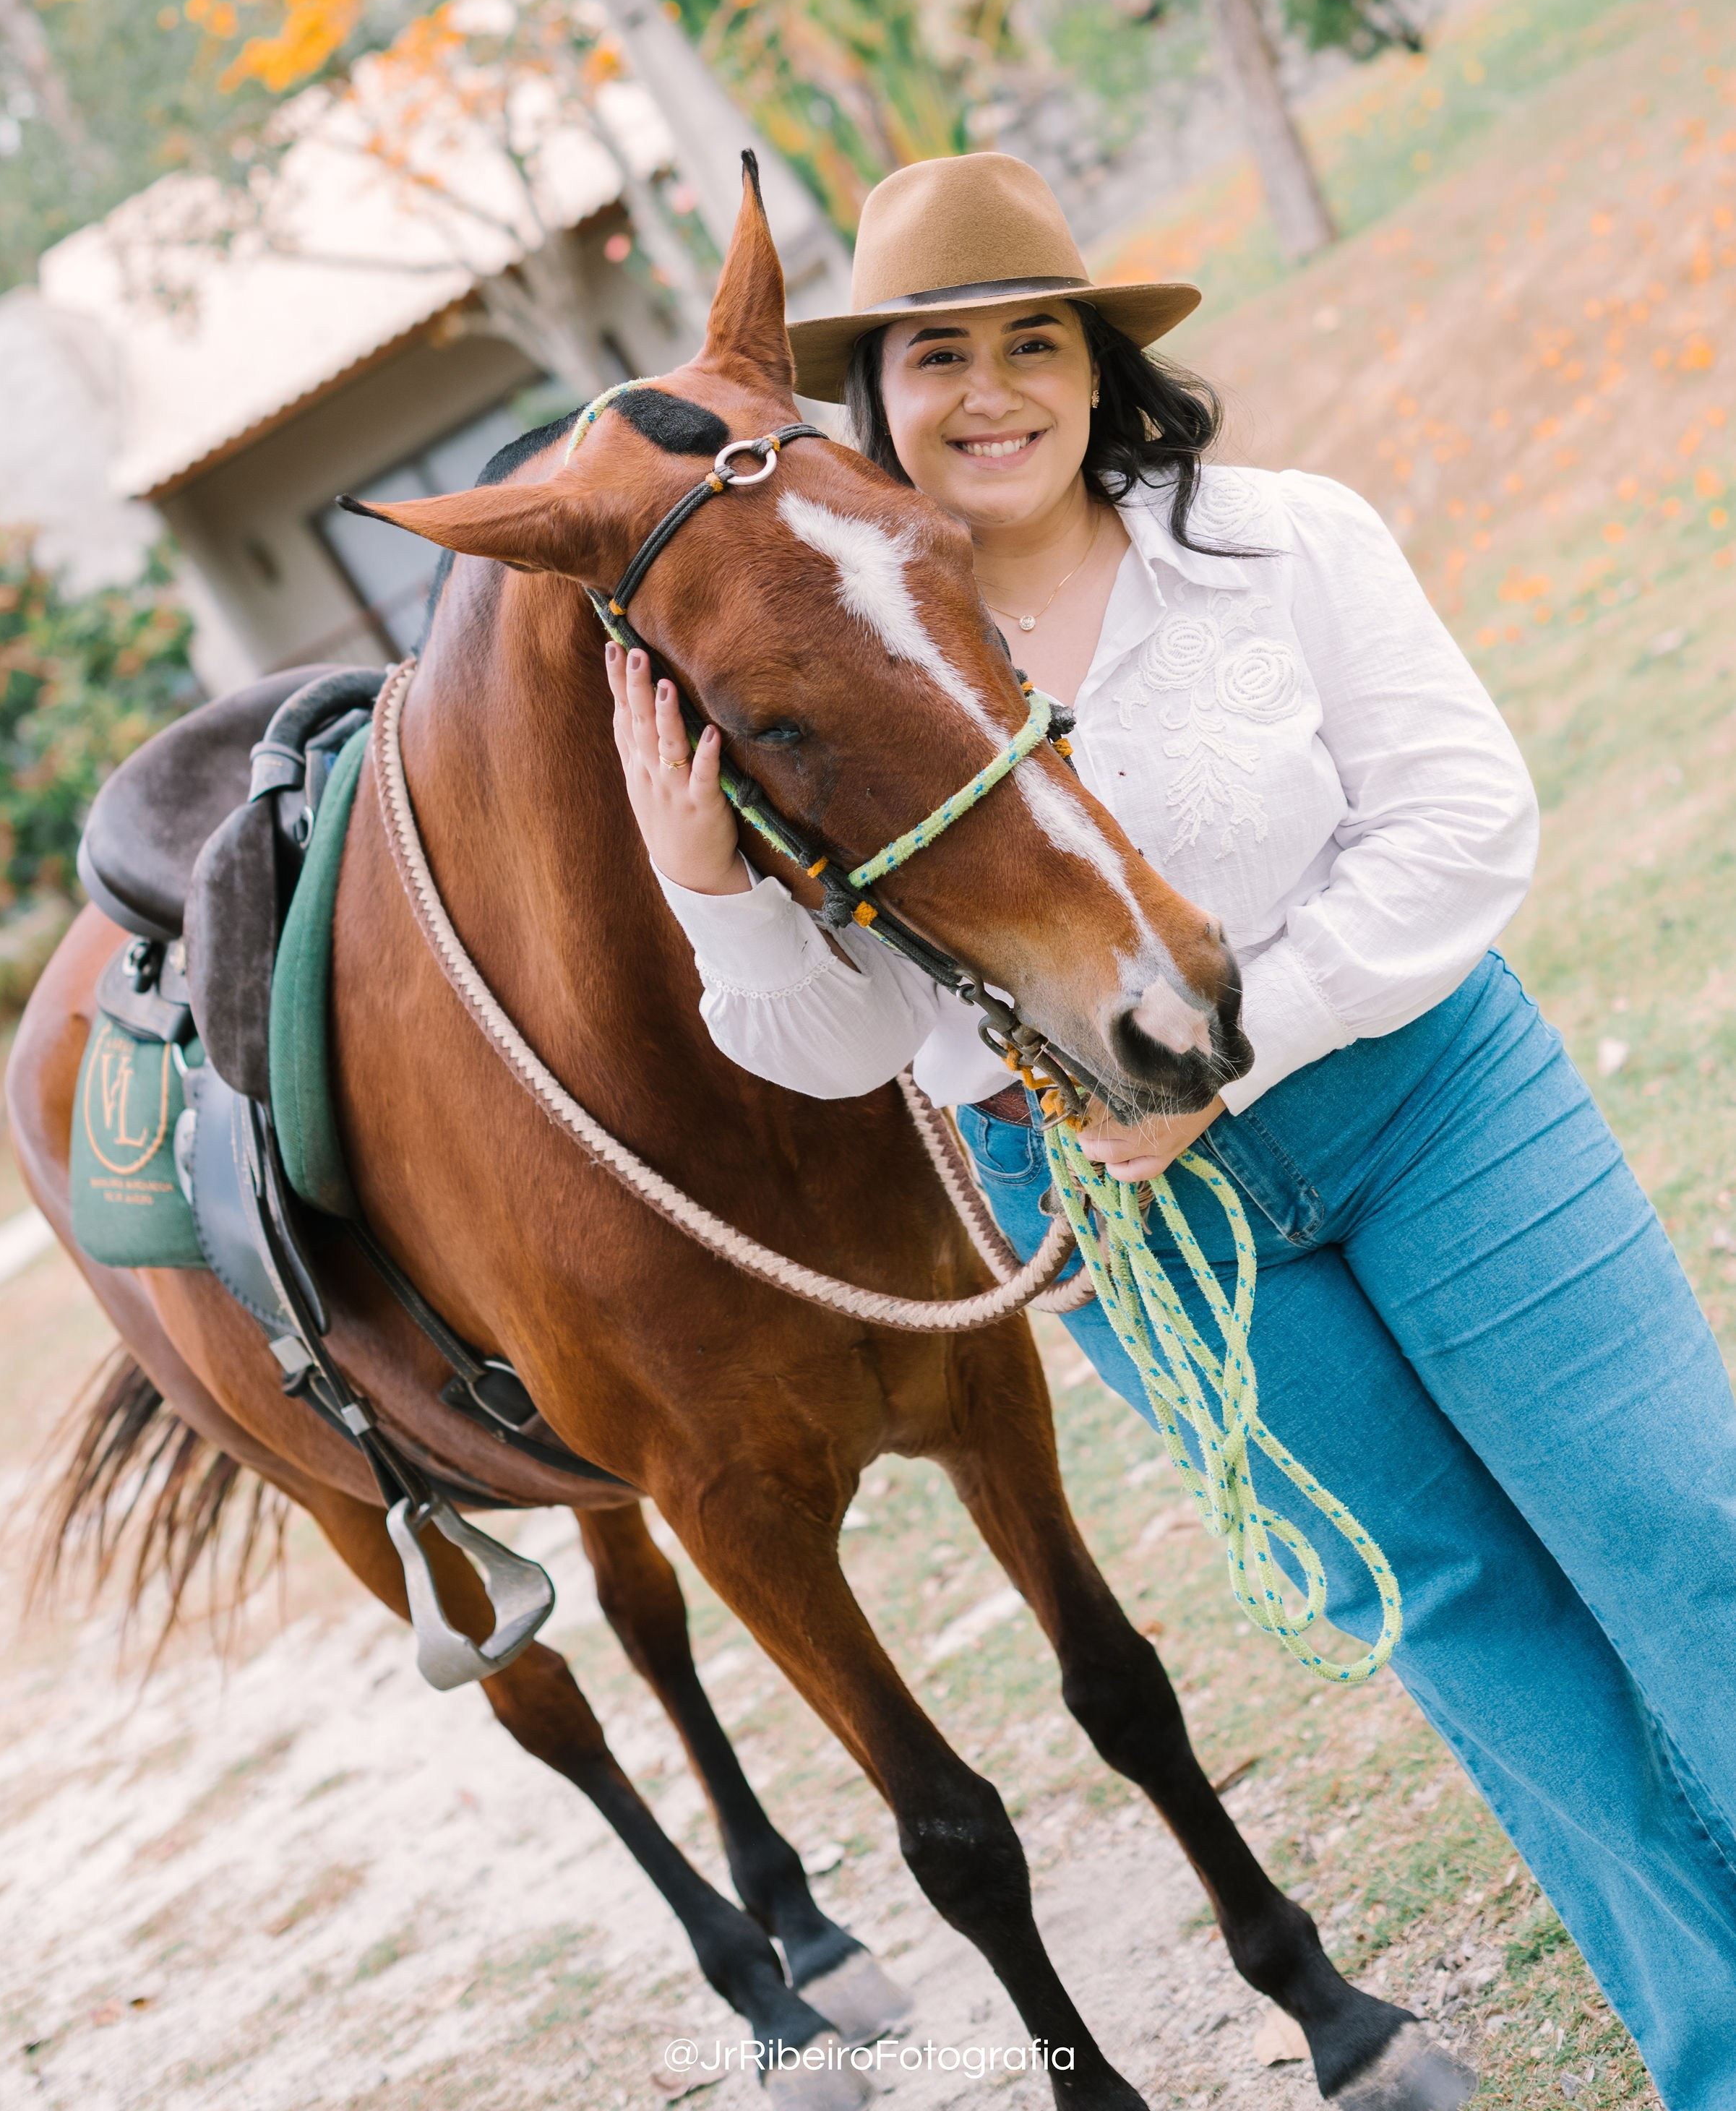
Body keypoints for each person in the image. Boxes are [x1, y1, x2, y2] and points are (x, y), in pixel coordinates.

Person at [606, 150, 1736, 2109]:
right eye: (932, 354)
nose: (987, 393)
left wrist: (1230, 1057)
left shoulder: (1272, 541)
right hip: (1145, 1232)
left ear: (1096, 366)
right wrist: (707, 883)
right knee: (1460, 1616)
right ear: (864, 395)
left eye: (1032, 342)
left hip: (1430, 1098)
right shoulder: (827, 658)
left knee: (1673, 1525)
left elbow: (1459, 824)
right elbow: (841, 1041)